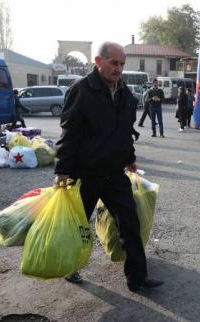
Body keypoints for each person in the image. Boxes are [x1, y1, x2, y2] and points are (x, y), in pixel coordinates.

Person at [54, 42, 163, 291]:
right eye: (114, 63)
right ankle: (71, 267)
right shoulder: (81, 90)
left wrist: (130, 157)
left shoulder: (124, 92)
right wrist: (62, 170)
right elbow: (69, 132)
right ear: (98, 61)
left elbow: (125, 131)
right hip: (85, 174)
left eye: (122, 64)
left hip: (114, 173)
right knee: (78, 227)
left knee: (130, 223)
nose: (118, 69)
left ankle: (137, 278)